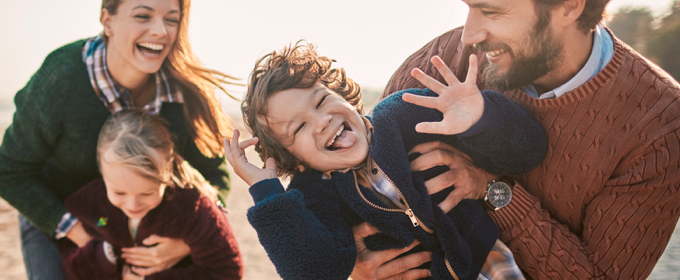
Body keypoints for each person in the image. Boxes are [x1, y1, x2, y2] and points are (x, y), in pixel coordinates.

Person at [351, 0, 680, 279]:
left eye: (491, 11)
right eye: (469, 7)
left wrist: (493, 190)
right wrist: (354, 265)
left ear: (570, 6)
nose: (470, 34)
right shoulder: (443, 59)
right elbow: (350, 180)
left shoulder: (660, 124)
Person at [226, 42, 547, 279]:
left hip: (481, 256)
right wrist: (268, 193)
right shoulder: (316, 193)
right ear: (296, 161)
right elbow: (314, 271)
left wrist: (480, 117)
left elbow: (528, 148)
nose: (321, 121)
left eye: (322, 100)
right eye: (299, 127)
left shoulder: (402, 114)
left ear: (347, 98)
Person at [0, 0, 234, 279]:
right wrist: (86, 237)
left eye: (172, 19)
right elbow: (9, 172)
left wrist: (184, 243)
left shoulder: (188, 92)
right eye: (143, 16)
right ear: (107, 21)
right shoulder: (61, 78)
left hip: (152, 224)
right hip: (61, 213)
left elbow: (213, 178)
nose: (160, 30)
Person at [60, 110, 243, 280]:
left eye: (147, 193)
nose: (133, 204)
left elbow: (227, 270)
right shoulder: (96, 208)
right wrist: (102, 255)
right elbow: (73, 256)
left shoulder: (191, 209)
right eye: (119, 192)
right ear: (102, 172)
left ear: (168, 169)